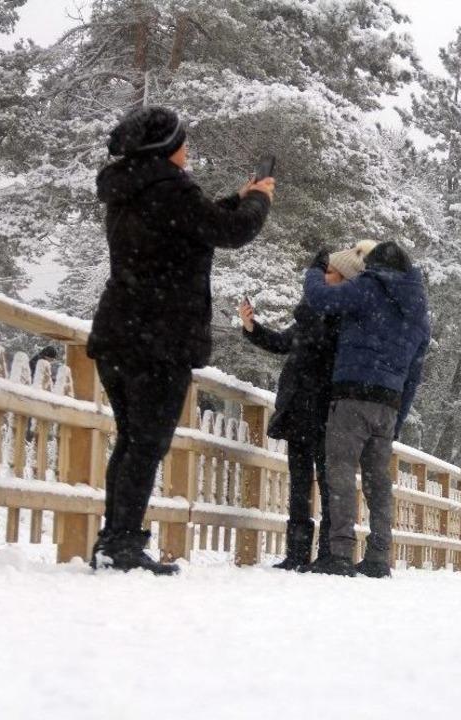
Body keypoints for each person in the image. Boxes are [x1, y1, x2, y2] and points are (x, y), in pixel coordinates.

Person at [86, 106, 273, 574]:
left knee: (132, 440)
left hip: (119, 331)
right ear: (167, 148)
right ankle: (121, 543)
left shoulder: (131, 191)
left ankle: (115, 538)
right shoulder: (170, 189)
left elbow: (196, 225)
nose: (187, 149)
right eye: (182, 141)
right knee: (146, 443)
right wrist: (259, 201)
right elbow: (229, 231)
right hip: (159, 338)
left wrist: (236, 197)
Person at [238, 241, 377, 571]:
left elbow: (316, 345)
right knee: (299, 484)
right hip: (298, 409)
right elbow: (283, 343)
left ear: (343, 279)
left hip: (326, 413)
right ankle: (297, 553)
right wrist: (251, 327)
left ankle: (329, 553)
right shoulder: (312, 315)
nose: (322, 277)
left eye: (329, 272)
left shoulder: (342, 318)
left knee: (330, 485)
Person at [301, 241, 430, 578]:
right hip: (388, 402)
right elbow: (414, 375)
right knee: (378, 481)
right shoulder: (418, 311)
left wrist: (314, 271)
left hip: (352, 393)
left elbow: (321, 299)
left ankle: (341, 552)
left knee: (340, 471)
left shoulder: (369, 288)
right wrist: (398, 417)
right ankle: (378, 556)